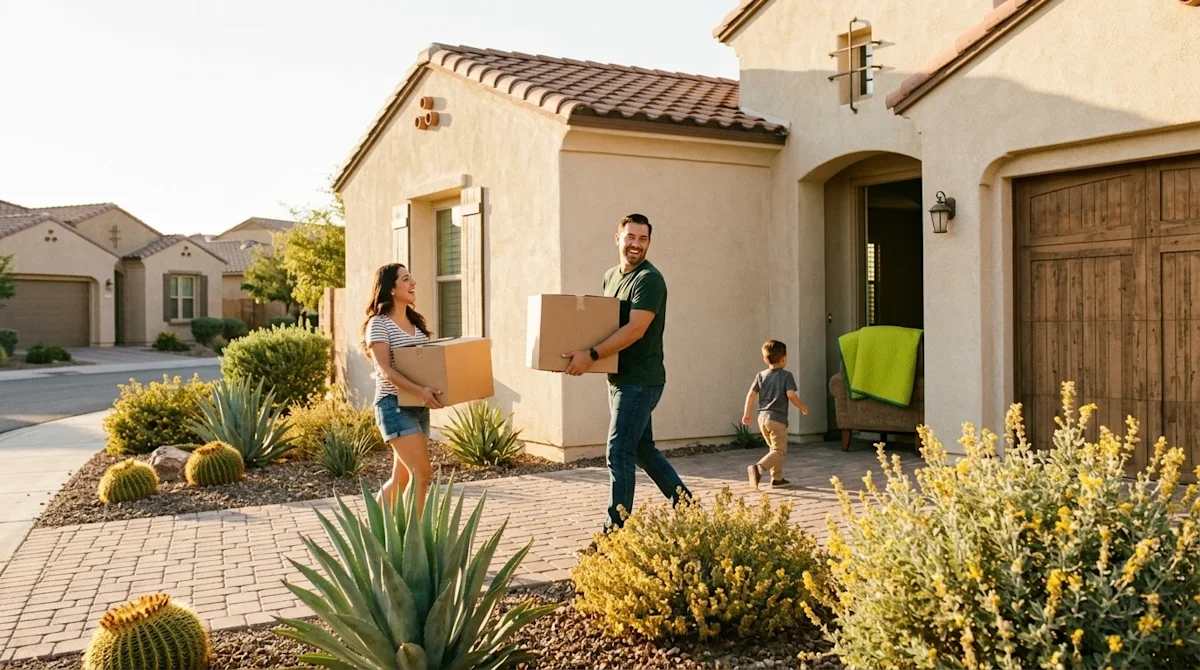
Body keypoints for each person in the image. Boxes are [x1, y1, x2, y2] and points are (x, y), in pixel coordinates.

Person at [564, 214, 692, 531]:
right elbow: (604, 322)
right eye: (631, 236)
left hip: (641, 380)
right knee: (641, 450)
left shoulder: (649, 279)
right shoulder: (611, 276)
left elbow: (635, 330)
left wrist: (590, 355)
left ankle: (616, 529)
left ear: (648, 242)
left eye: (643, 239)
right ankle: (687, 507)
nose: (636, 244)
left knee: (619, 451)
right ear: (617, 237)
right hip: (619, 378)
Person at [361, 263, 444, 511]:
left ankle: (374, 532)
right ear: (391, 289)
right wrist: (420, 391)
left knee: (403, 478)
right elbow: (385, 371)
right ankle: (412, 542)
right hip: (393, 406)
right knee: (422, 474)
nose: (413, 283)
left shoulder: (415, 323)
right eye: (406, 279)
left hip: (417, 406)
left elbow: (424, 364)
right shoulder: (379, 324)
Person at [743, 340, 808, 489]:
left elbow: (751, 395)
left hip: (762, 418)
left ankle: (777, 478)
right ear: (784, 359)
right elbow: (791, 395)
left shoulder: (760, 375)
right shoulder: (786, 376)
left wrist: (747, 413)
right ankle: (758, 468)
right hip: (777, 419)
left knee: (774, 450)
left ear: (765, 359)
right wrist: (802, 406)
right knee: (780, 450)